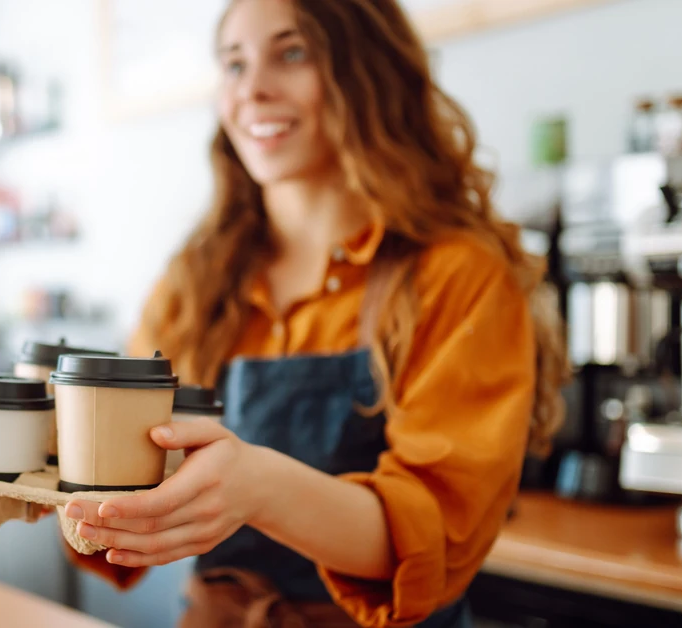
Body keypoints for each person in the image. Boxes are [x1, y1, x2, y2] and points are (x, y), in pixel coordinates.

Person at [60, 0, 569, 627]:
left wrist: (257, 486)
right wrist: (57, 471)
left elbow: (432, 533)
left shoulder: (456, 276)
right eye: (234, 64)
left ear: (370, 71)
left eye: (292, 53)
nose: (253, 89)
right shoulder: (194, 285)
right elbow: (126, 487)